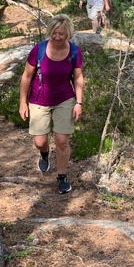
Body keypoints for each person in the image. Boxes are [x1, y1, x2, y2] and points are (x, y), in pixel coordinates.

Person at [19, 14, 84, 194]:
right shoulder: (38, 50)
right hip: (39, 99)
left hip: (64, 98)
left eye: (61, 34)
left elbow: (77, 77)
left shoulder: (73, 52)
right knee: (40, 141)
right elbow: (26, 77)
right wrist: (22, 103)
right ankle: (44, 153)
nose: (57, 37)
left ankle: (62, 177)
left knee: (62, 140)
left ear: (68, 34)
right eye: (54, 33)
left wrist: (78, 102)